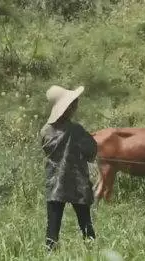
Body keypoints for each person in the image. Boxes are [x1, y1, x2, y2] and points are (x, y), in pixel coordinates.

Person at [40, 85, 97, 251]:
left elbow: (46, 149)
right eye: (74, 104)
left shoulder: (45, 130)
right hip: (78, 184)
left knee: (53, 227)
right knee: (85, 223)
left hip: (54, 184)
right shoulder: (77, 130)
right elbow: (91, 151)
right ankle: (91, 252)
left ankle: (50, 253)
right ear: (68, 108)